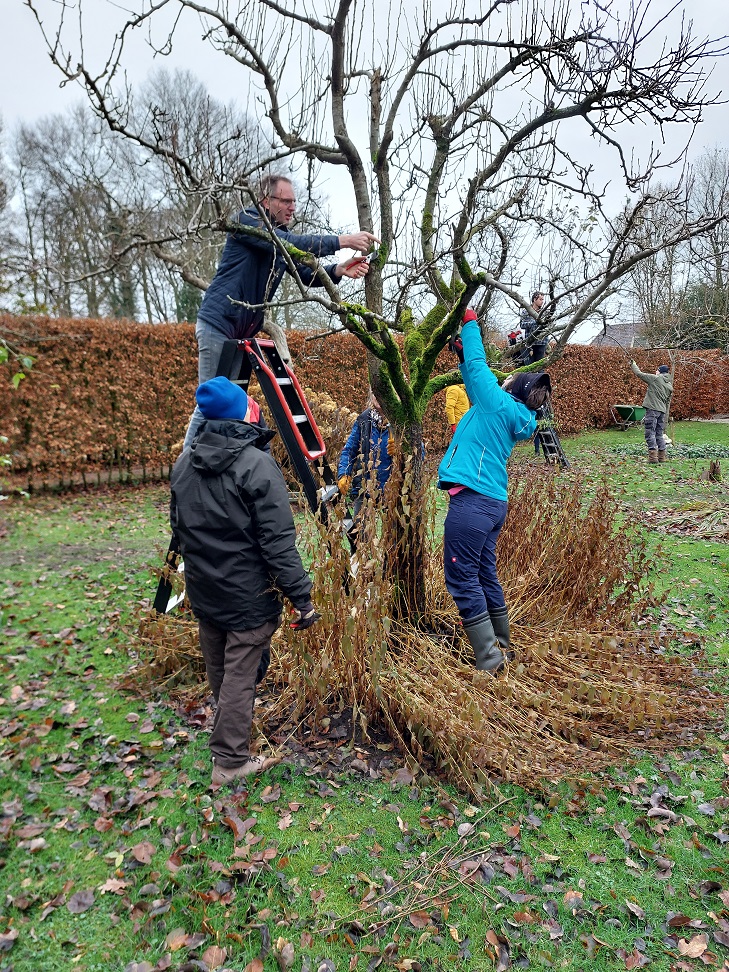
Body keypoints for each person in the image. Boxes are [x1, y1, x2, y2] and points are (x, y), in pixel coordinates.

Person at [171, 376, 320, 786]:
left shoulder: (183, 463)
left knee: (222, 668)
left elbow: (178, 529)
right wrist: (302, 599)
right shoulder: (256, 465)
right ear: (242, 413)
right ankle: (231, 761)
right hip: (248, 596)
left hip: (206, 591)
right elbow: (277, 543)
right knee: (240, 673)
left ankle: (230, 730)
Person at [183, 174, 379, 448]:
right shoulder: (247, 223)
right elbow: (289, 244)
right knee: (210, 402)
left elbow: (301, 271)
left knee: (231, 406)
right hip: (219, 323)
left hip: (241, 334)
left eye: (293, 201)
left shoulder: (278, 241)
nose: (292, 207)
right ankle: (185, 473)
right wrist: (342, 240)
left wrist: (338, 270)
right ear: (266, 200)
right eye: (285, 201)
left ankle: (217, 470)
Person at [438, 310, 551, 673]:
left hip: (472, 503)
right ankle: (501, 644)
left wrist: (470, 323)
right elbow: (472, 378)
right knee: (484, 572)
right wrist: (460, 355)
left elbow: (477, 363)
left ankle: (489, 659)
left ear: (511, 390)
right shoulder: (509, 413)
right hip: (492, 503)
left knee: (460, 575)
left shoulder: (498, 402)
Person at [337, 392, 394, 525]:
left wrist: (401, 449)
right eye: (375, 391)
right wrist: (344, 474)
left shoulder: (401, 419)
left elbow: (418, 452)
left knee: (395, 540)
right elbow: (349, 451)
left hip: (394, 491)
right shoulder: (364, 420)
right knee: (361, 537)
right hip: (365, 490)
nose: (379, 395)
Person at [630, 360, 673, 463]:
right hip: (662, 412)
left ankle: (653, 458)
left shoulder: (655, 379)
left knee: (650, 432)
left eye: (657, 370)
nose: (655, 372)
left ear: (659, 372)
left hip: (653, 410)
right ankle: (661, 457)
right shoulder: (669, 386)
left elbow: (639, 374)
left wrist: (633, 364)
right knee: (659, 433)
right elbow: (667, 402)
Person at [518, 291, 548, 365]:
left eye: (543, 300)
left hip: (541, 341)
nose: (542, 301)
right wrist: (534, 323)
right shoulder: (526, 311)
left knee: (540, 366)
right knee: (529, 365)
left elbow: (548, 325)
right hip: (530, 341)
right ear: (534, 299)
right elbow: (522, 324)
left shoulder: (545, 312)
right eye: (540, 299)